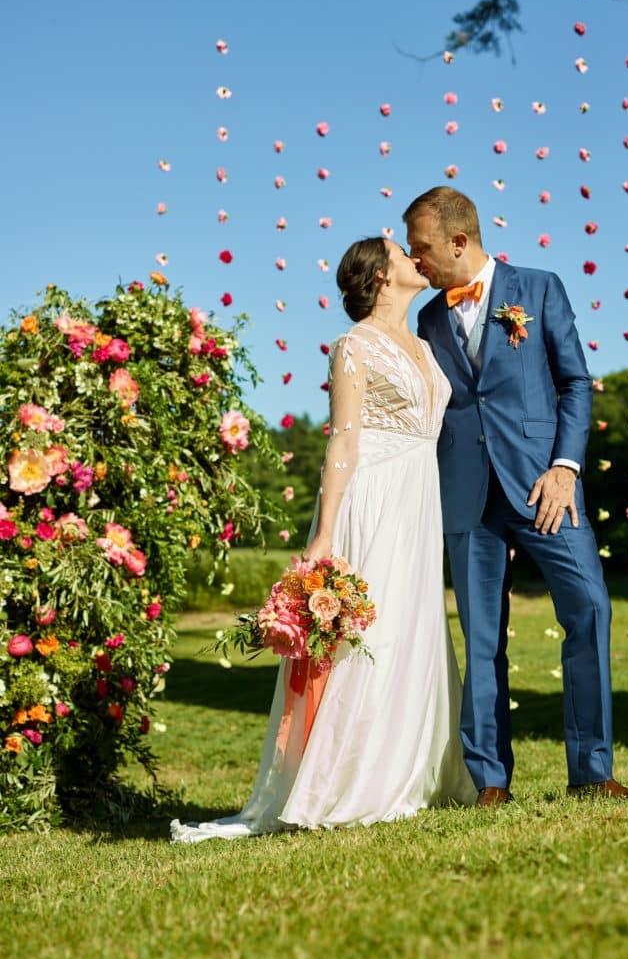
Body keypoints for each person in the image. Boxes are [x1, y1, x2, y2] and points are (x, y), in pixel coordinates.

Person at [170, 237, 475, 842]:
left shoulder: (424, 342)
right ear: (381, 276)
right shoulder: (353, 346)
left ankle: (416, 769)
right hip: (373, 498)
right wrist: (328, 530)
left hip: (419, 501)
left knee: (415, 629)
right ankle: (350, 779)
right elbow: (344, 440)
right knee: (373, 632)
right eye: (401, 252)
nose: (417, 257)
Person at [405, 186, 628, 803]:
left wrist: (566, 467)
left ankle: (593, 773)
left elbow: (575, 381)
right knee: (483, 637)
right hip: (468, 495)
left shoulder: (540, 289)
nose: (417, 263)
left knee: (589, 610)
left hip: (547, 487)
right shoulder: (429, 318)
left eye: (423, 249)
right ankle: (490, 780)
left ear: (459, 242)